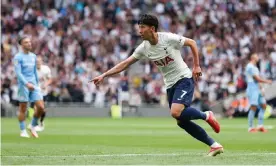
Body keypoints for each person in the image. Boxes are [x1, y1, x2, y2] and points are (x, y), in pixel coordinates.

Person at [90, 14, 223, 156]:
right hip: (170, 84)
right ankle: (214, 145)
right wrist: (104, 75)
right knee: (181, 121)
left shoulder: (168, 38)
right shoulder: (144, 48)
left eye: (142, 27)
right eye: (139, 27)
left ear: (152, 29)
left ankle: (206, 115)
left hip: (184, 78)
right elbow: (125, 64)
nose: (139, 31)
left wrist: (196, 66)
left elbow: (192, 43)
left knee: (175, 112)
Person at [13, 36, 45, 138]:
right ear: (21, 45)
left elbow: (34, 71)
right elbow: (18, 73)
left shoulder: (33, 56)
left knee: (41, 107)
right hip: (24, 86)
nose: (29, 44)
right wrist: (27, 84)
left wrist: (37, 84)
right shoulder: (18, 57)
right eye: (26, 42)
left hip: (34, 85)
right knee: (23, 108)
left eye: (30, 42)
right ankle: (22, 130)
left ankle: (32, 125)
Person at [245, 53, 272, 133]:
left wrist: (262, 89)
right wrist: (267, 81)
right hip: (252, 88)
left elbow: (258, 80)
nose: (258, 58)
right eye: (257, 56)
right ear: (252, 58)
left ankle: (260, 126)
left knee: (263, 105)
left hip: (257, 88)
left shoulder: (255, 67)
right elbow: (256, 78)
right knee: (253, 106)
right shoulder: (249, 66)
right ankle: (250, 127)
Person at [28, 56, 52, 131]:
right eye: (36, 61)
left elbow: (50, 79)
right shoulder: (31, 70)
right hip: (34, 92)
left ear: (41, 62)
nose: (38, 63)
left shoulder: (46, 69)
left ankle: (41, 122)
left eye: (39, 61)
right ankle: (33, 124)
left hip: (44, 93)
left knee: (42, 110)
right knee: (33, 109)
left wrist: (46, 84)